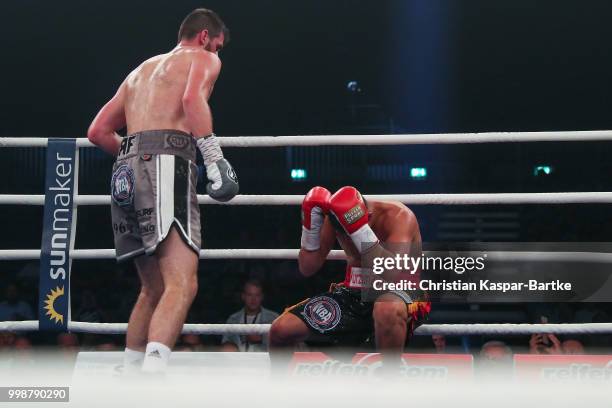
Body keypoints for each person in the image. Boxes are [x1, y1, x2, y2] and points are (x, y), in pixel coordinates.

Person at [87, 8, 238, 374]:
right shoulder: (202, 58)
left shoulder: (140, 71)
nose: (217, 54)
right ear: (205, 37)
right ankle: (153, 378)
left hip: (124, 171)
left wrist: (136, 156)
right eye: (218, 46)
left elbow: (98, 132)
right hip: (166, 164)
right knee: (181, 283)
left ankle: (131, 372)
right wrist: (214, 158)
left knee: (152, 287)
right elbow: (191, 100)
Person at [269, 186, 430, 372]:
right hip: (353, 294)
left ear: (367, 217)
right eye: (343, 233)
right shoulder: (335, 218)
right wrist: (310, 231)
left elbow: (392, 274)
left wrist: (359, 230)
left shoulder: (399, 217)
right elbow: (307, 268)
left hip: (403, 291)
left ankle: (390, 382)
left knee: (385, 307)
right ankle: (277, 390)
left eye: (349, 232)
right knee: (281, 330)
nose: (346, 238)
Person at [221, 280, 279, 352]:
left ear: (262, 297)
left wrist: (262, 339)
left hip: (263, 361)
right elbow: (225, 343)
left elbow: (281, 345)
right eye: (249, 295)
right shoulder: (233, 319)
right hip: (239, 361)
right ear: (243, 296)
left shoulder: (273, 318)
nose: (253, 299)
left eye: (257, 295)